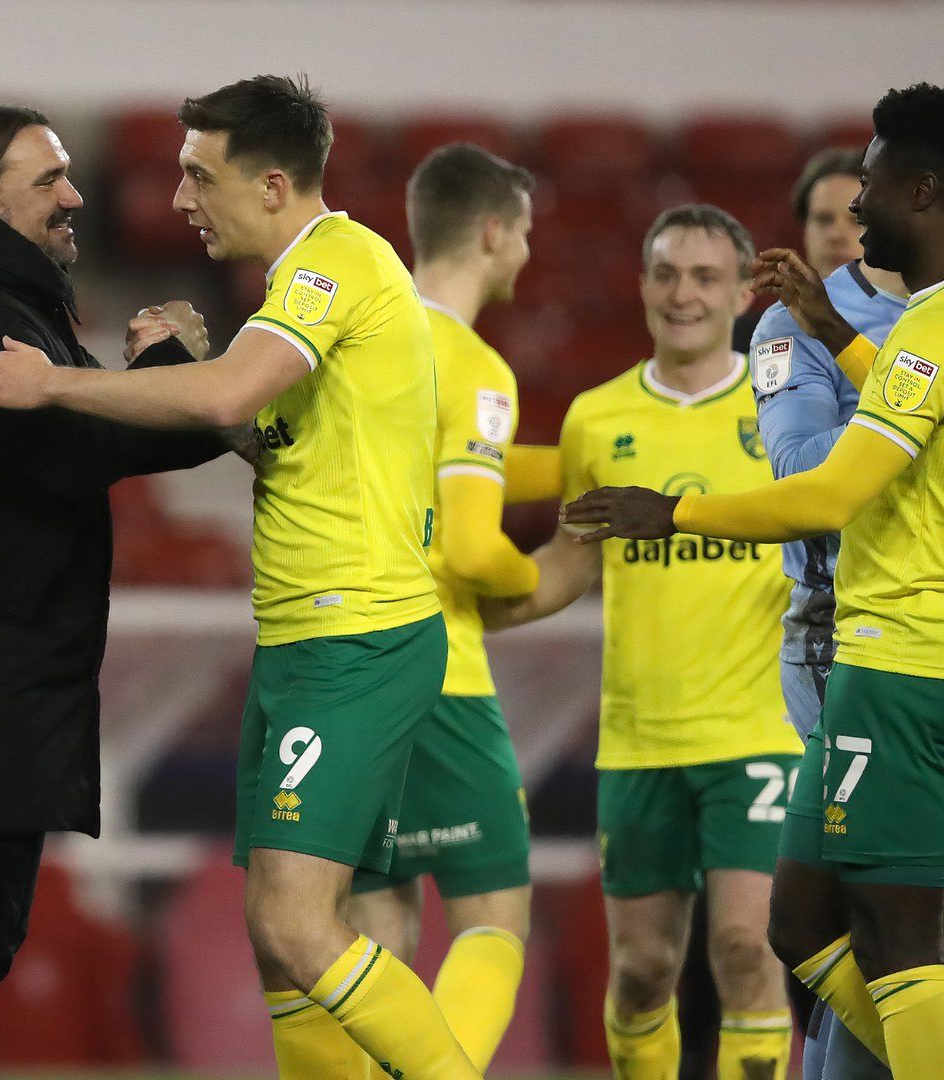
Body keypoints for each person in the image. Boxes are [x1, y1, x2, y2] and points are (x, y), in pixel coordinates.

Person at [563, 83, 944, 1077]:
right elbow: (938, 424)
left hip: (905, 664)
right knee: (799, 918)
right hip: (913, 659)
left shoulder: (939, 335)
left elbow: (822, 494)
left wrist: (669, 509)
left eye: (877, 184)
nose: (858, 209)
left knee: (906, 941)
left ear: (927, 192)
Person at [0, 75, 484, 1080]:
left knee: (294, 925)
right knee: (284, 940)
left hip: (355, 638)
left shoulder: (333, 263)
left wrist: (58, 380)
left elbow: (234, 392)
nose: (180, 198)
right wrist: (210, 388)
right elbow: (271, 431)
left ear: (275, 183)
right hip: (308, 640)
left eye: (200, 175)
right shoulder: (307, 283)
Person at [0, 104, 234, 1079]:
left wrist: (155, 380)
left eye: (68, 173)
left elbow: (69, 439)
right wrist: (174, 373)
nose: (74, 196)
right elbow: (83, 453)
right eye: (45, 180)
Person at [750, 148, 944, 1080]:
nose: (837, 237)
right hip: (847, 640)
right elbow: (804, 472)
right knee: (906, 913)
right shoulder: (790, 329)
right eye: (820, 221)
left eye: (851, 215)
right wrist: (904, 418)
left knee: (904, 923)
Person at [487, 204, 803, 1080]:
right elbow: (566, 562)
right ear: (641, 288)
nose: (683, 293)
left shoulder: (787, 411)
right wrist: (480, 611)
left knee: (746, 948)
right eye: (666, 274)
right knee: (641, 971)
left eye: (705, 277)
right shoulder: (598, 418)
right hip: (640, 742)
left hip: (758, 734)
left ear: (743, 293)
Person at [337, 142, 541, 1075]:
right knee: (494, 913)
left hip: (342, 670)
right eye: (526, 234)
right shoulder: (478, 367)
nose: (529, 254)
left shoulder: (360, 341)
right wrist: (542, 580)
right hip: (441, 673)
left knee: (377, 919)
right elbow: (470, 545)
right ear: (494, 232)